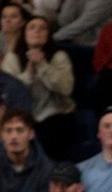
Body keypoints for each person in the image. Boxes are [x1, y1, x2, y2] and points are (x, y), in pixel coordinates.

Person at [6, 15, 77, 159]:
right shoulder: (12, 58)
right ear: (24, 33)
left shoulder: (59, 57)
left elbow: (66, 89)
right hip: (23, 116)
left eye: (42, 28)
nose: (37, 31)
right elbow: (10, 92)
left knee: (52, 129)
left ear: (48, 35)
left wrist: (43, 65)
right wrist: (29, 73)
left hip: (57, 115)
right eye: (32, 27)